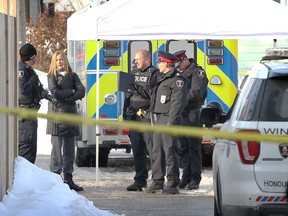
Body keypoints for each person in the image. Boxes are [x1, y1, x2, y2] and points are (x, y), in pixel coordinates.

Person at [147, 51, 188, 195]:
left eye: (160, 62)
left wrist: (171, 121)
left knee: (170, 151)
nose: (158, 65)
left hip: (169, 119)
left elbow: (177, 103)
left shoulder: (177, 80)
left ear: (166, 64)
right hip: (159, 119)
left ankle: (172, 183)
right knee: (157, 150)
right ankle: (157, 181)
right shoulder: (162, 78)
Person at [46, 50, 85, 192]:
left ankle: (68, 178)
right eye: (57, 60)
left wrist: (68, 97)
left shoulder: (73, 75)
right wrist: (71, 92)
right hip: (57, 117)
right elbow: (54, 92)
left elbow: (82, 91)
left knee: (69, 150)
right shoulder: (51, 76)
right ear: (53, 62)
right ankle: (55, 178)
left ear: (66, 60)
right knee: (56, 150)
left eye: (61, 59)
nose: (60, 62)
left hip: (71, 116)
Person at [123, 49, 159, 191]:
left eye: (138, 59)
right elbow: (128, 95)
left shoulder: (154, 74)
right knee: (137, 150)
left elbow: (152, 94)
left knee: (152, 150)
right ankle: (140, 180)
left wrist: (137, 87)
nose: (136, 61)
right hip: (134, 117)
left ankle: (157, 180)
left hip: (147, 116)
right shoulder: (133, 73)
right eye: (135, 59)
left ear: (147, 59)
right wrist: (125, 113)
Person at [173, 50, 208, 190]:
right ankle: (185, 177)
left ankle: (195, 179)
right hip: (182, 114)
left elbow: (195, 93)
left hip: (193, 114)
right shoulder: (178, 73)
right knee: (183, 148)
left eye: (179, 64)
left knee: (194, 148)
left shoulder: (198, 73)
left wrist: (178, 102)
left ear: (185, 59)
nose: (178, 67)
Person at [18, 43, 53, 164]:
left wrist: (46, 95)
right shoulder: (22, 70)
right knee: (26, 147)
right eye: (33, 58)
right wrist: (33, 80)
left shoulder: (28, 69)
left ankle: (28, 177)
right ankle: (23, 179)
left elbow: (36, 88)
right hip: (25, 114)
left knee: (31, 147)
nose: (35, 60)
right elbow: (22, 89)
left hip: (30, 113)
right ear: (30, 58)